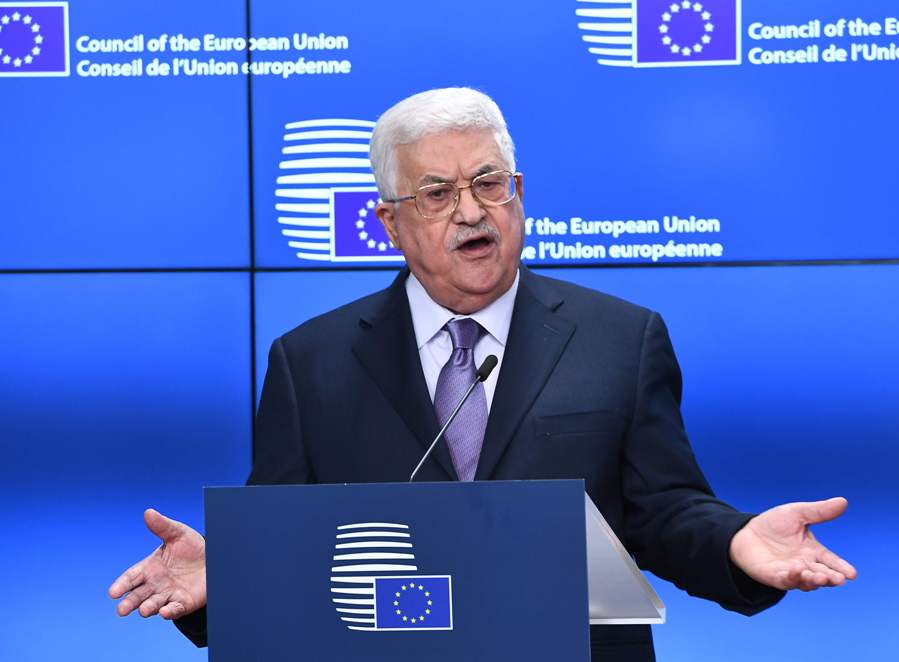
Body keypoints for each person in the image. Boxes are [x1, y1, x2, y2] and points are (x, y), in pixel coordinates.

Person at [108, 87, 856, 661]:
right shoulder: (310, 363)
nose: (471, 212)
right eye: (437, 194)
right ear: (390, 224)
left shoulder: (621, 340)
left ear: (518, 194)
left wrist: (736, 543)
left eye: (489, 183)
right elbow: (287, 540)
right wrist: (223, 580)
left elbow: (663, 511)